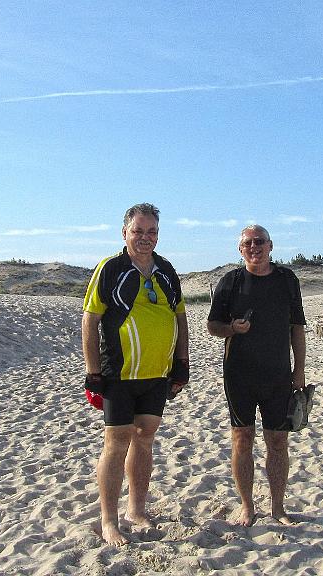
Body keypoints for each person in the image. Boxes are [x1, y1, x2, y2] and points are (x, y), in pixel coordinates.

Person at [82, 202, 190, 545]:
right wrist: (93, 372)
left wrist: (182, 363)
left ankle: (136, 509)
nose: (145, 237)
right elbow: (90, 320)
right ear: (124, 232)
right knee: (116, 442)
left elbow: (180, 316)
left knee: (145, 438)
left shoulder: (166, 270)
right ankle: (108, 520)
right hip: (119, 374)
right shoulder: (111, 268)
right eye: (138, 230)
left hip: (157, 374)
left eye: (152, 231)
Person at [206, 224, 306, 526]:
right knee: (242, 438)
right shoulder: (231, 281)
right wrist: (231, 328)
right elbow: (213, 326)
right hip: (239, 375)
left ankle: (278, 507)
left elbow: (297, 328)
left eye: (259, 241)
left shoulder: (287, 280)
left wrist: (299, 370)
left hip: (278, 375)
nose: (254, 247)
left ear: (270, 246)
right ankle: (247, 506)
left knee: (278, 441)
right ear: (240, 249)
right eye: (248, 243)